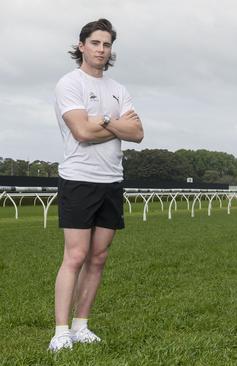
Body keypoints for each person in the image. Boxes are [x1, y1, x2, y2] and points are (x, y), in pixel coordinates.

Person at [49, 18, 144, 352]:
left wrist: (101, 120)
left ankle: (81, 326)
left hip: (111, 181)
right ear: (82, 46)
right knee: (75, 256)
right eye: (95, 43)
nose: (101, 49)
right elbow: (82, 133)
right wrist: (115, 123)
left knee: (99, 258)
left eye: (106, 44)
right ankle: (61, 332)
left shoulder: (119, 89)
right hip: (78, 180)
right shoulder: (69, 84)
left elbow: (138, 134)